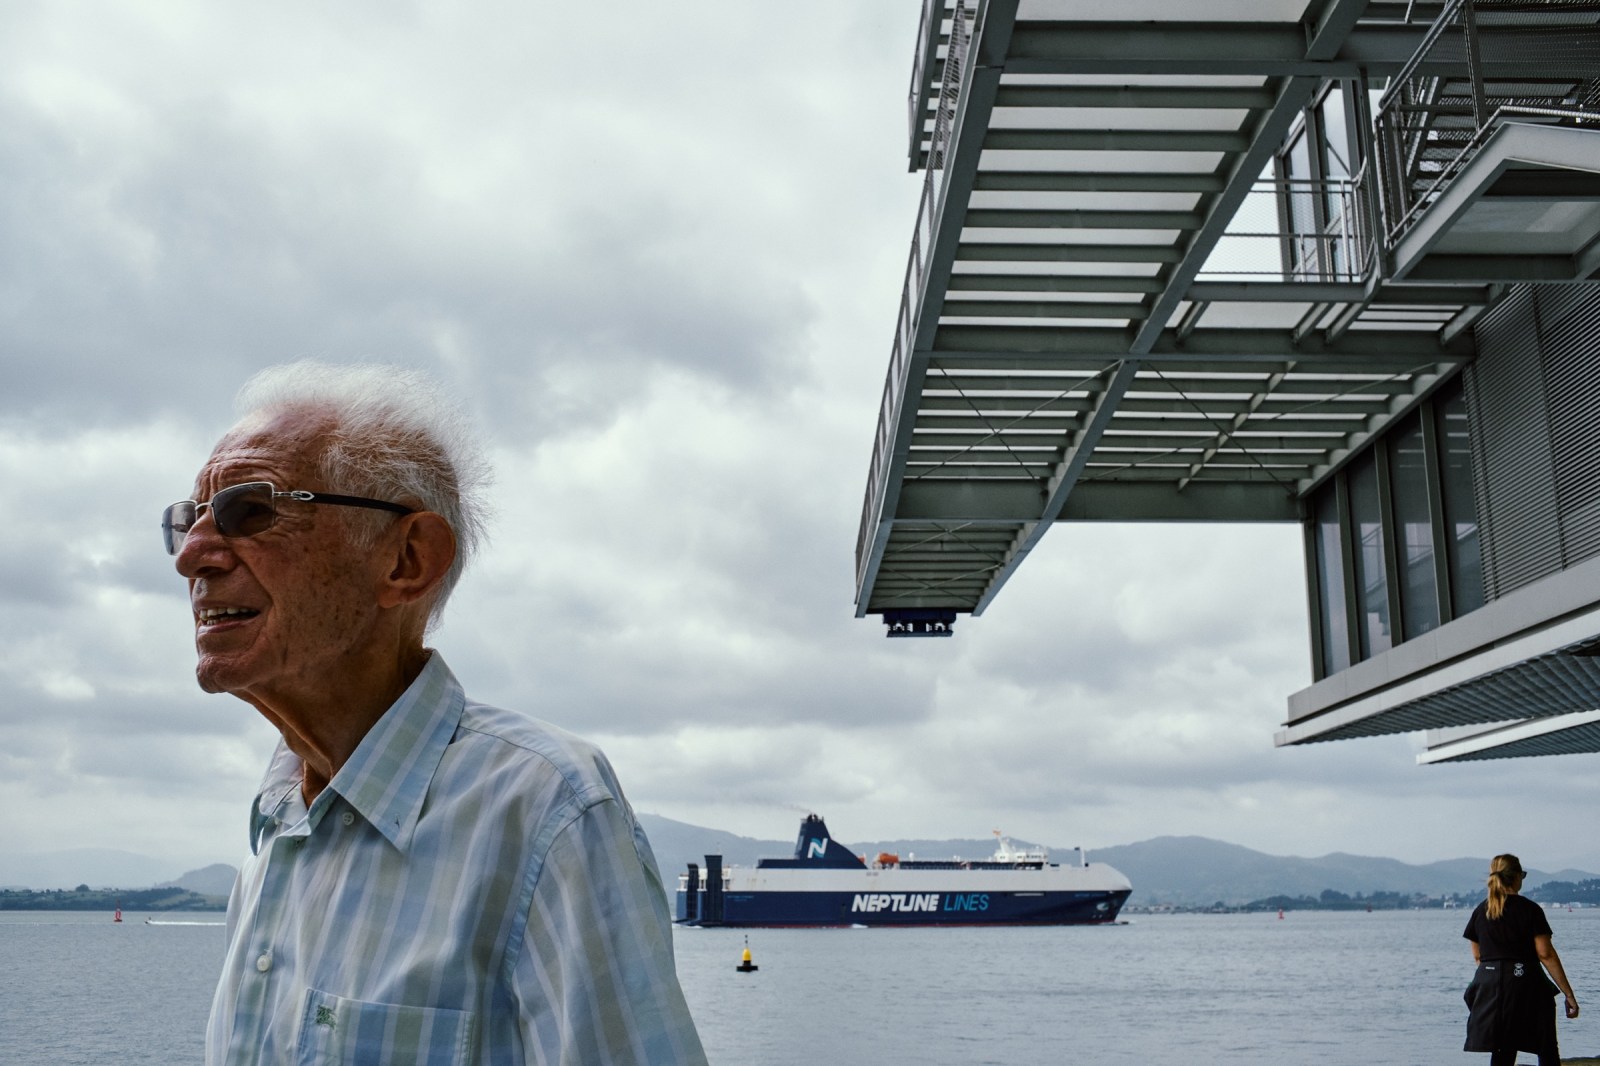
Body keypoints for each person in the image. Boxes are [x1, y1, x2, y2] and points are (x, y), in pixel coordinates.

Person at [165, 361, 707, 1065]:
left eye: (250, 512)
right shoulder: (276, 826)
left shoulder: (546, 812)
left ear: (408, 560)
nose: (193, 558)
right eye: (187, 521)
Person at [1462, 853, 1579, 1066]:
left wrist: (1498, 976)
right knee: (1546, 1046)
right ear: (1516, 876)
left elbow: (1478, 956)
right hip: (1526, 983)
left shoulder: (1481, 911)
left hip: (1490, 988)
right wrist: (1568, 994)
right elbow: (1545, 954)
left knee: (1502, 1049)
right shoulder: (1529, 910)